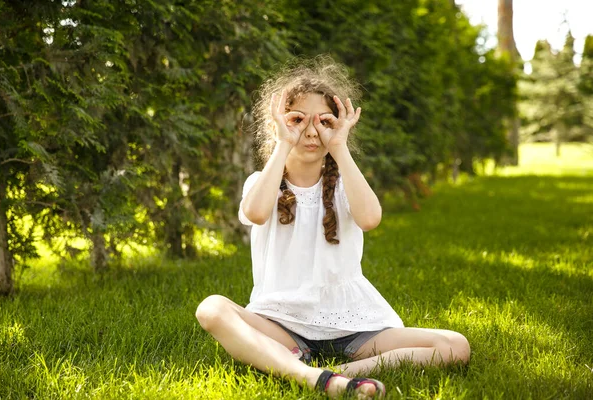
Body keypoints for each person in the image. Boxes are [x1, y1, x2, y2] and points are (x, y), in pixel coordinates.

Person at [196, 57, 470, 399]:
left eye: (324, 121)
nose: (311, 132)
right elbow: (256, 213)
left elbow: (370, 219)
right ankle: (315, 379)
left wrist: (339, 147)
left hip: (352, 326)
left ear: (339, 125)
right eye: (297, 120)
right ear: (278, 124)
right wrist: (284, 142)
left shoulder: (345, 183)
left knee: (454, 345)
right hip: (282, 325)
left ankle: (335, 373)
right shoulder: (261, 181)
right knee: (211, 308)